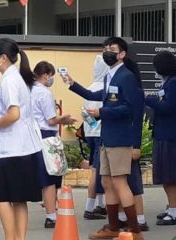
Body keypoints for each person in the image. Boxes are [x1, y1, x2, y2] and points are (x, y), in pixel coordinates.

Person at [62, 37, 144, 240]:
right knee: (107, 182)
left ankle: (134, 230)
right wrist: (72, 84)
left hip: (120, 138)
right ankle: (113, 226)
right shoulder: (110, 77)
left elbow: (131, 109)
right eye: (105, 48)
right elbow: (94, 94)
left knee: (119, 182)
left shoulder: (127, 77)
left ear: (122, 54)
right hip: (107, 138)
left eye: (112, 49)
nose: (107, 51)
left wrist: (102, 113)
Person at [0, 38, 42, 240]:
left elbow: (13, 114)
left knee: (1, 197)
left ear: (3, 58)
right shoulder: (18, 78)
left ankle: (10, 237)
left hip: (12, 149)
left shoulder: (8, 80)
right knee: (19, 199)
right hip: (24, 147)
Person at [31, 61, 76, 228]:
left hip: (31, 135)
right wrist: (64, 119)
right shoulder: (44, 93)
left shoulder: (28, 90)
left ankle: (50, 209)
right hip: (47, 136)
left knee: (40, 174)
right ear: (46, 75)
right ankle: (51, 215)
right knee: (50, 176)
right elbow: (50, 119)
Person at [145, 51, 176, 226]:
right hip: (162, 134)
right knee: (165, 174)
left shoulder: (174, 84)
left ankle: (174, 211)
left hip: (169, 136)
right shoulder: (167, 83)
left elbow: (168, 107)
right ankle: (172, 207)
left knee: (169, 176)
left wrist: (149, 100)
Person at [117, 58, 149, 231]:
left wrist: (136, 145)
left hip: (129, 142)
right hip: (120, 141)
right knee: (120, 181)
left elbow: (136, 120)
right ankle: (124, 217)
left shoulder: (134, 92)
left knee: (133, 183)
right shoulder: (124, 89)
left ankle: (141, 220)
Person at [82, 54, 108, 220]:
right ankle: (89, 207)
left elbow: (86, 116)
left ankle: (100, 204)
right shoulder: (105, 89)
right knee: (98, 171)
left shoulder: (90, 88)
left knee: (98, 169)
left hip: (90, 133)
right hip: (101, 135)